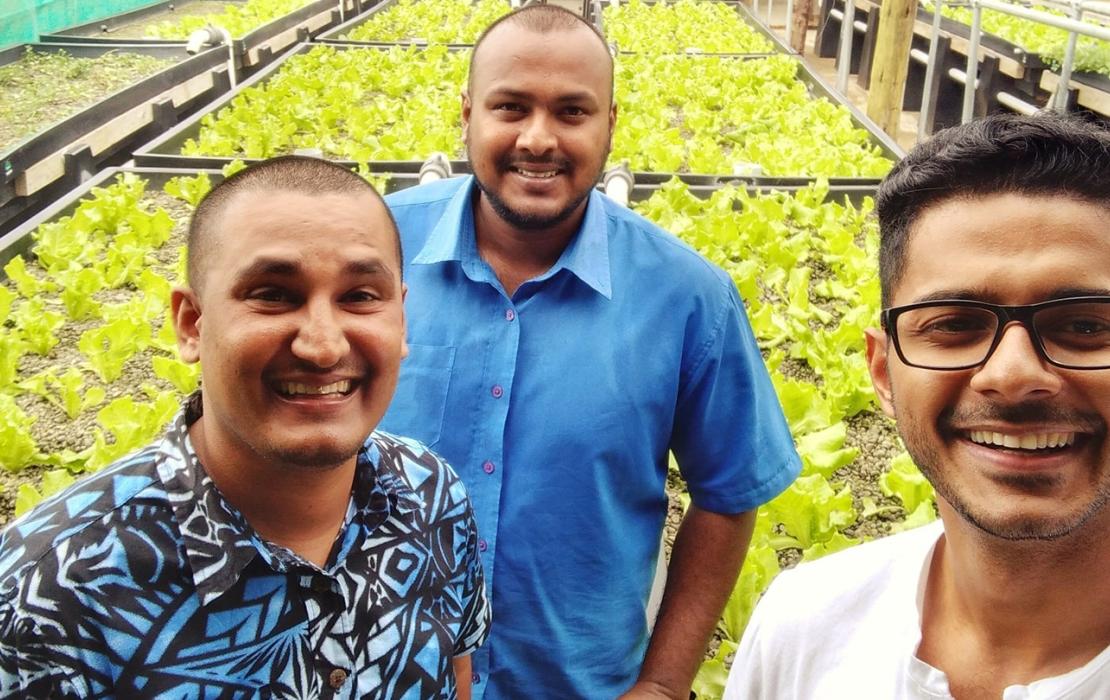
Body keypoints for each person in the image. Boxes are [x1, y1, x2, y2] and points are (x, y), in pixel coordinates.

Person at [380, 5, 801, 698]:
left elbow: (727, 497)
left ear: (610, 122)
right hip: (377, 678)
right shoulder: (371, 254)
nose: (538, 139)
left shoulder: (689, 297)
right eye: (510, 107)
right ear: (466, 114)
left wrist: (663, 684)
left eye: (572, 112)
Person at [0, 156, 490, 698]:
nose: (324, 345)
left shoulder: (432, 496)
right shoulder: (49, 593)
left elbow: (456, 676)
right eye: (273, 295)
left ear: (401, 320)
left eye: (359, 297)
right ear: (191, 324)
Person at [724, 112, 1110, 698]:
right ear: (882, 370)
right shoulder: (801, 626)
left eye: (1083, 325)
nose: (1011, 375)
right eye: (954, 325)